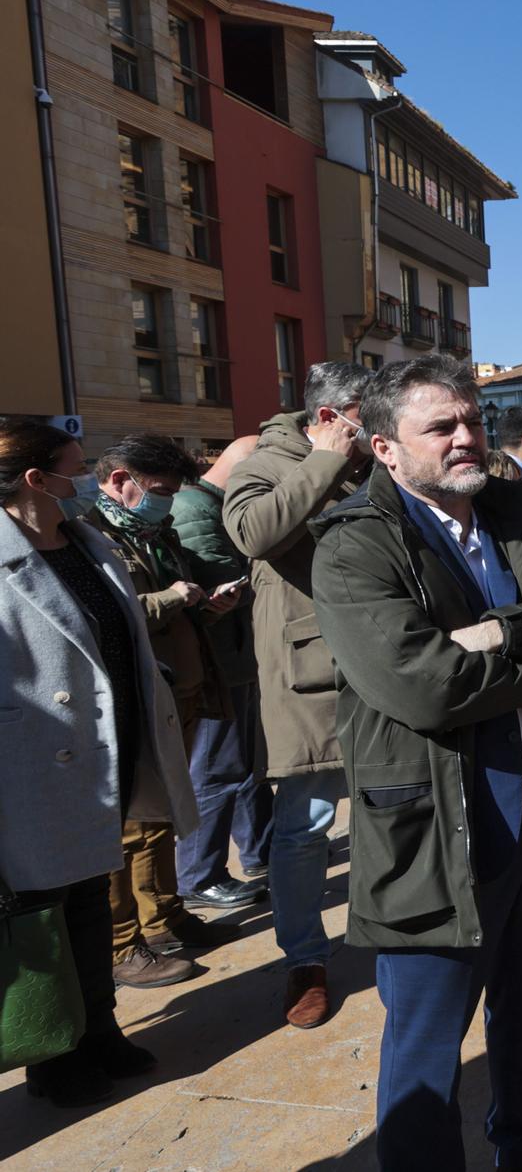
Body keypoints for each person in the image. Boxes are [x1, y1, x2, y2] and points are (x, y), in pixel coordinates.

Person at [310, 355, 522, 1172]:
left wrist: (505, 631)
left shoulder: (516, 513)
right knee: (427, 1043)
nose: (466, 439)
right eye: (441, 427)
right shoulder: (354, 546)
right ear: (384, 449)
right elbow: (425, 686)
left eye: (473, 421)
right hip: (434, 828)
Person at [0, 418, 196, 1106]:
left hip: (103, 755)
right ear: (35, 479)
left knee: (88, 903)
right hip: (30, 768)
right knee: (42, 920)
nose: (86, 480)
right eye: (76, 468)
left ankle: (101, 1030)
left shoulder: (86, 544)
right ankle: (54, 1054)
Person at [224, 360, 372, 1029]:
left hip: (382, 665)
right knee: (305, 827)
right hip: (311, 677)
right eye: (369, 418)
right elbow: (254, 532)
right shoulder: (264, 461)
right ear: (329, 418)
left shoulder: (376, 460)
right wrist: (323, 464)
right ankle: (304, 960)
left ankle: (387, 931)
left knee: (387, 811)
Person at [85, 434, 243, 989]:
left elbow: (175, 608)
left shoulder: (156, 532)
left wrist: (210, 606)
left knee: (164, 817)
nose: (166, 501)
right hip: (135, 697)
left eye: (173, 491)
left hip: (182, 689)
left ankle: (164, 919)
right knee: (130, 827)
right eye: (157, 490)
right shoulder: (90, 539)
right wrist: (177, 598)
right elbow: (110, 617)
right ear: (119, 478)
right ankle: (123, 942)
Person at [171, 435, 272, 912]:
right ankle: (199, 876)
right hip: (219, 663)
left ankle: (260, 851)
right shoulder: (195, 510)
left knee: (244, 765)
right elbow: (220, 583)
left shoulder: (212, 505)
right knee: (215, 770)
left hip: (235, 657)